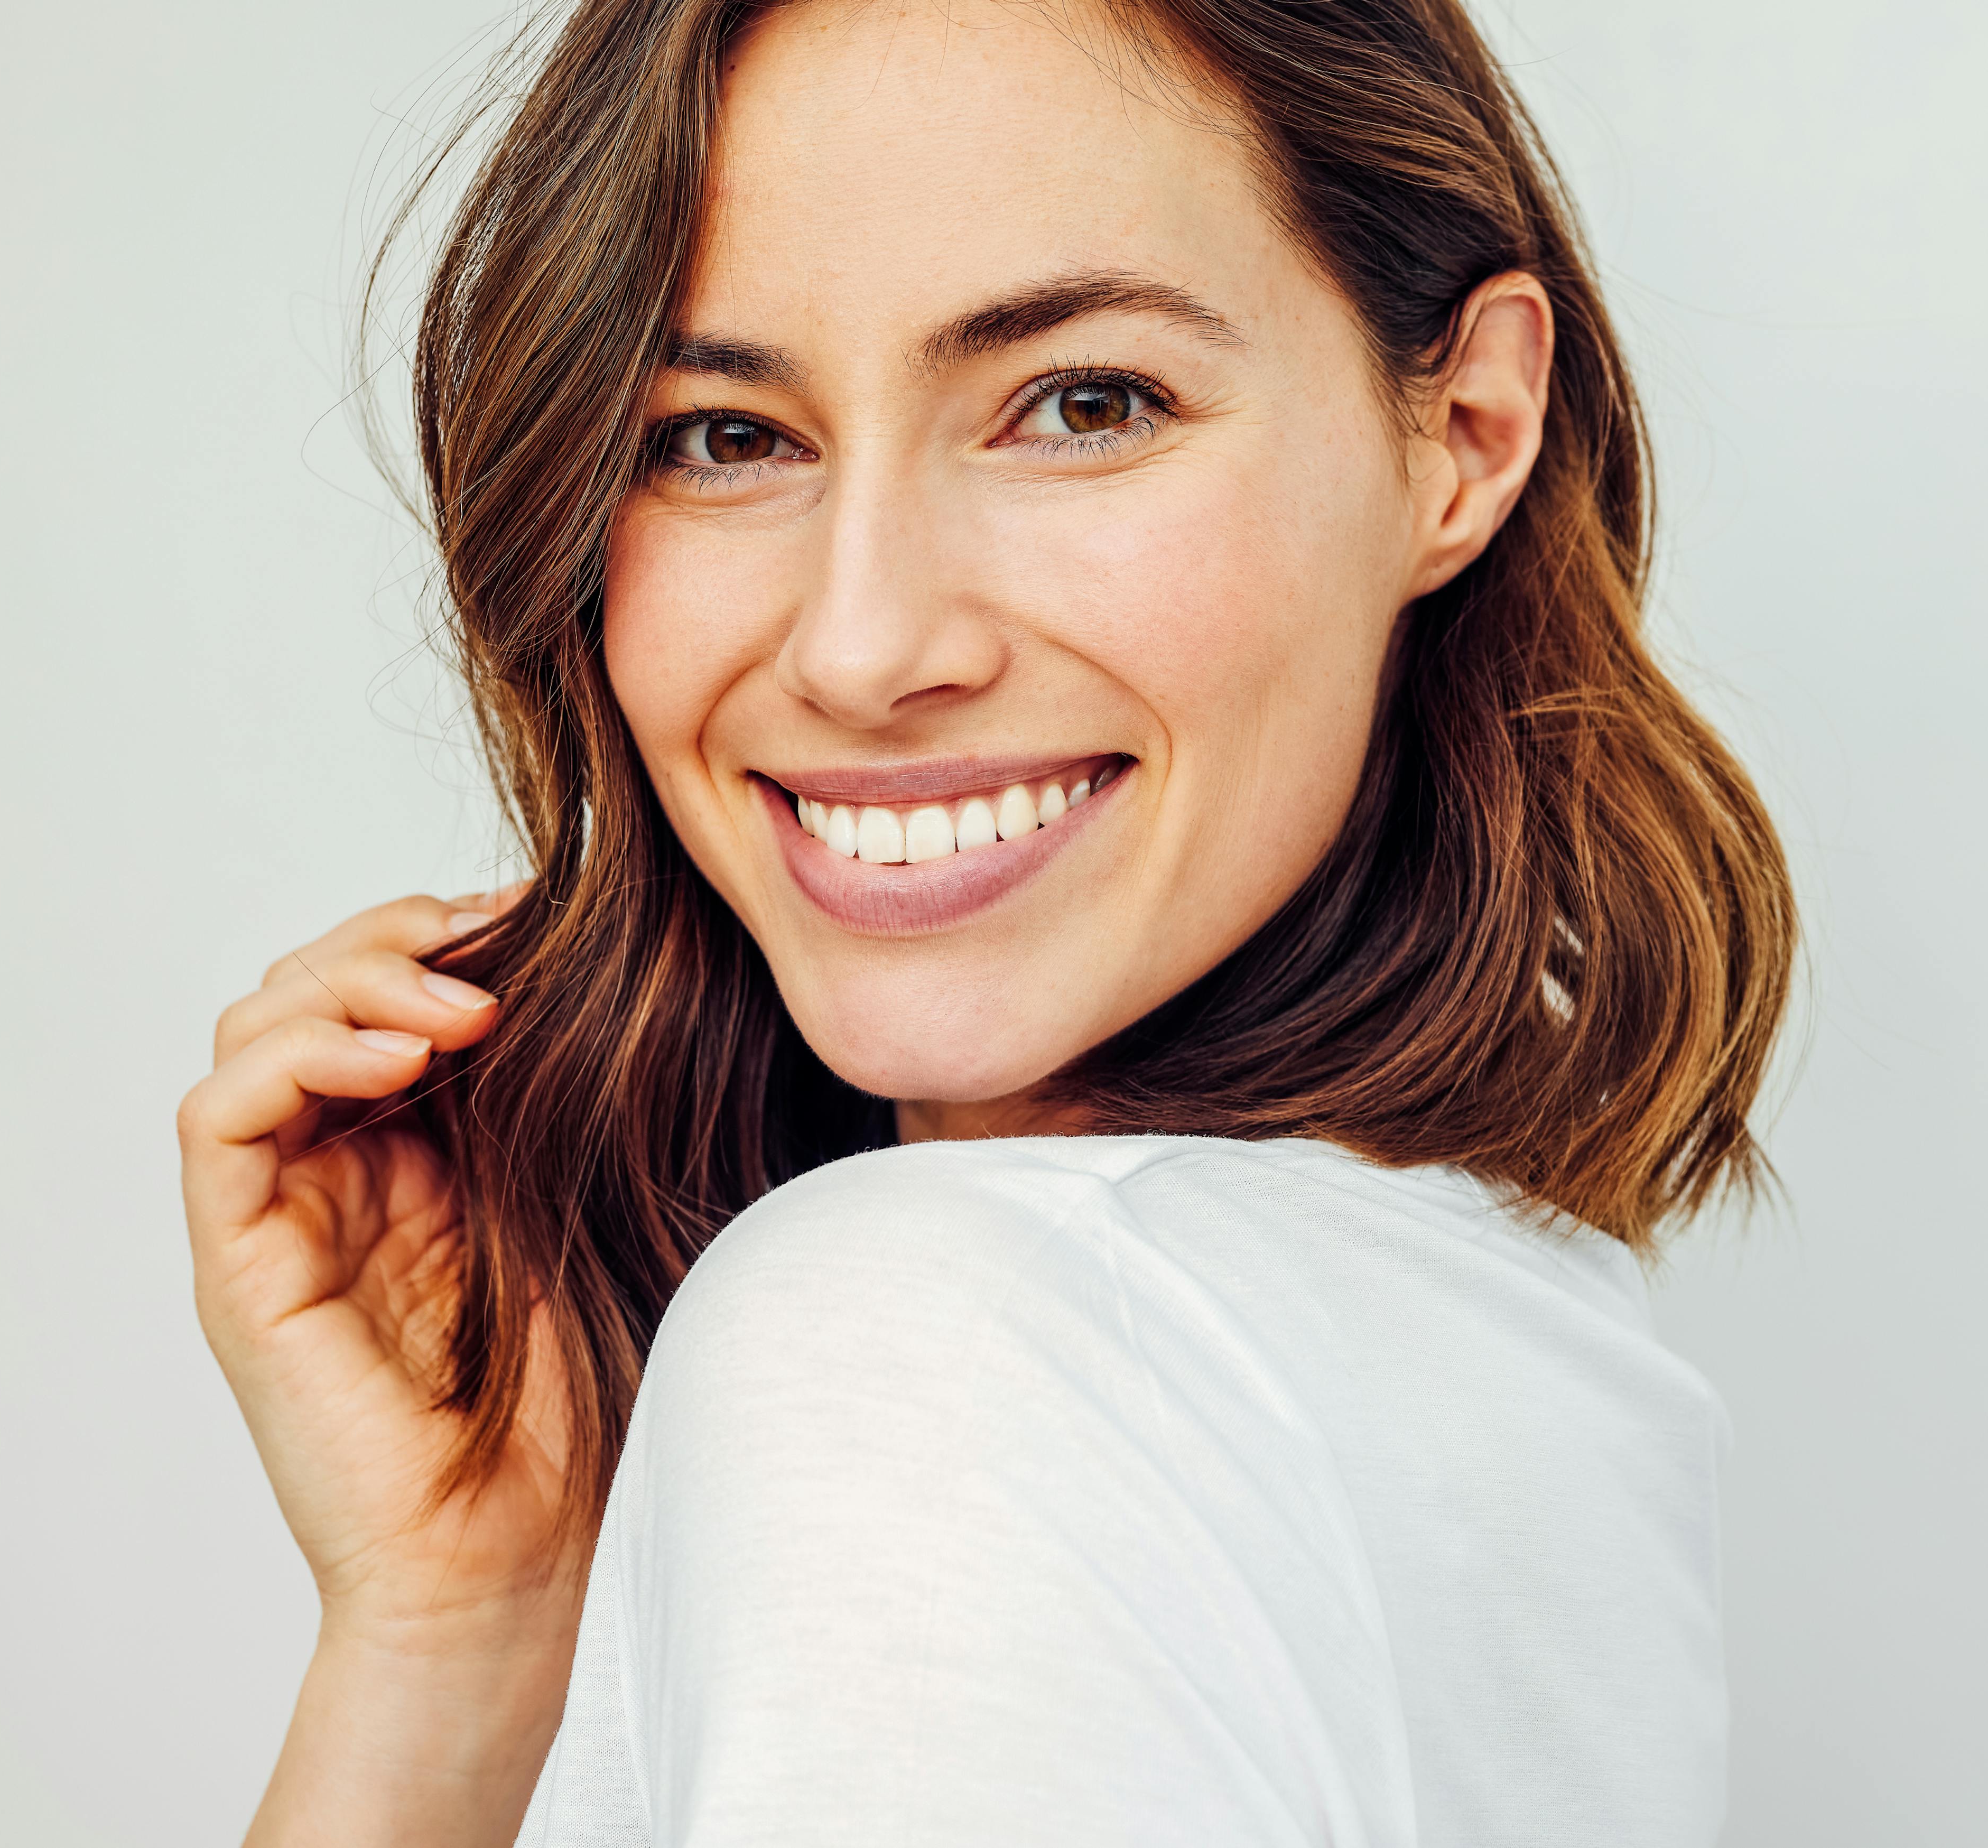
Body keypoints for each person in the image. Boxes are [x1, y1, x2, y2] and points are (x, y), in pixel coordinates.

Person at [176, 0, 1795, 1841]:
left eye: (1086, 406)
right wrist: (463, 1639)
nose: (863, 646)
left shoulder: (934, 1336)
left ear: (1468, 432)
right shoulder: (1498, 1330)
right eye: (721, 435)